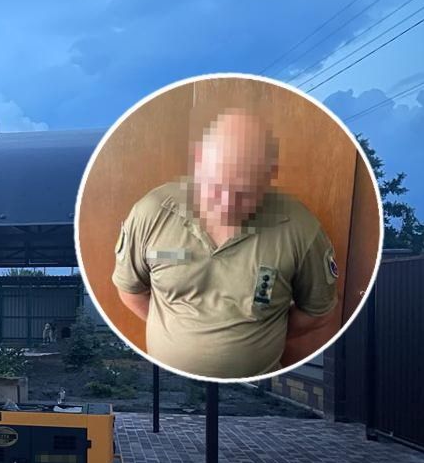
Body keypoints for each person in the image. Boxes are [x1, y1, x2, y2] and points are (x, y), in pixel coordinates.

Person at [111, 108, 338, 378]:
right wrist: (176, 329)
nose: (228, 204)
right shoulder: (152, 212)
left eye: (244, 192)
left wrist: (262, 334)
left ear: (270, 175)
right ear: (198, 161)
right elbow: (131, 290)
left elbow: (318, 312)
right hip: (166, 382)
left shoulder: (301, 229)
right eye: (217, 187)